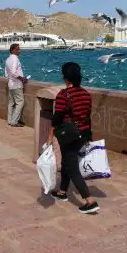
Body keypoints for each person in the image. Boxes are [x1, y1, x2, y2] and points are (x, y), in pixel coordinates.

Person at [47, 62, 100, 214]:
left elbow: (56, 119)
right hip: (83, 133)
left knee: (72, 168)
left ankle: (89, 201)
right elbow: (87, 116)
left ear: (65, 78)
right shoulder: (86, 94)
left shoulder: (64, 95)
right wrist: (89, 135)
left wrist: (50, 137)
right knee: (67, 161)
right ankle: (63, 192)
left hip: (69, 135)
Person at [5, 43, 28, 127]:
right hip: (16, 84)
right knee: (20, 102)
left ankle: (10, 120)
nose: (19, 51)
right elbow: (14, 72)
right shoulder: (15, 59)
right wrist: (22, 79)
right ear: (13, 50)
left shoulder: (7, 59)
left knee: (11, 103)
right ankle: (14, 121)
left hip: (10, 84)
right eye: (18, 49)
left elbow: (6, 74)